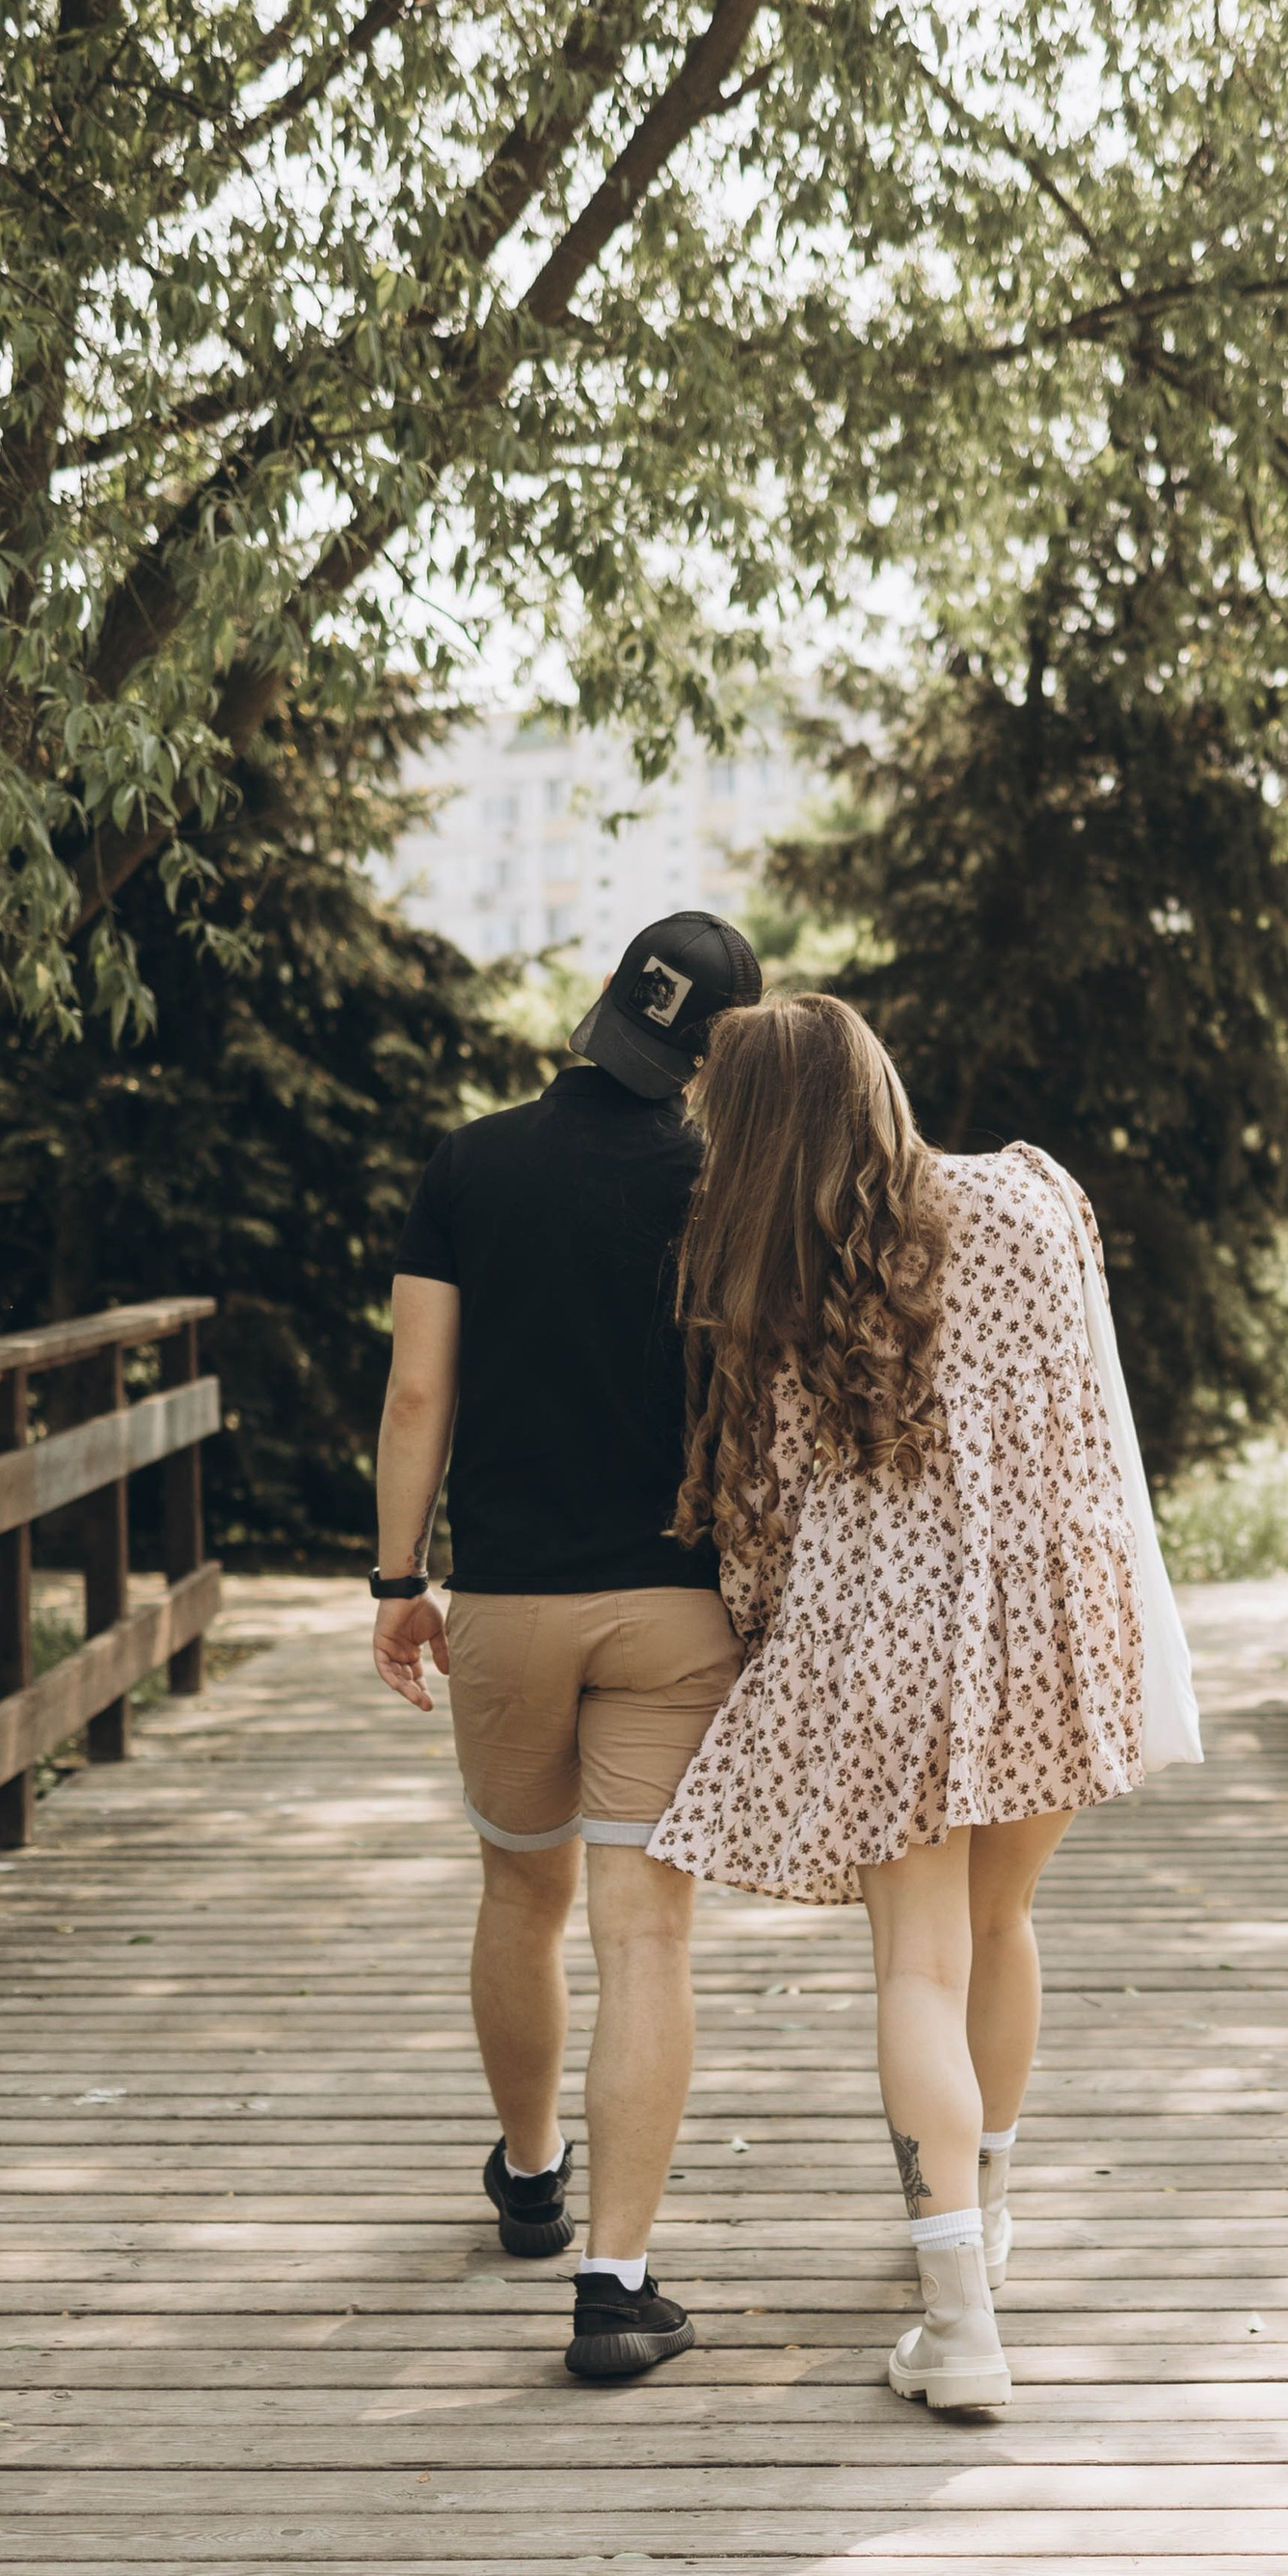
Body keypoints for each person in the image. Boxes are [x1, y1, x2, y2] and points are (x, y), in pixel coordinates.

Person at [649, 992, 1150, 2423]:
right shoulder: (1040, 1196)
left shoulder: (784, 1268)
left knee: (916, 1971)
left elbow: (761, 1505)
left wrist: (757, 1633)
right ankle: (981, 2230)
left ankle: (962, 2323)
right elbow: (1090, 1405)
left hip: (884, 1641)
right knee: (1005, 1926)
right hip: (1053, 1612)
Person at [372, 909, 762, 2384]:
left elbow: (419, 1398)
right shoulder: (728, 1185)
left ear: (606, 1011)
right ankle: (615, 2284)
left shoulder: (471, 1162)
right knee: (645, 1933)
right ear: (715, 1055)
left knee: (517, 1896)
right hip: (676, 1606)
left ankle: (529, 2177)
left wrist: (398, 1579)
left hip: (510, 1604)